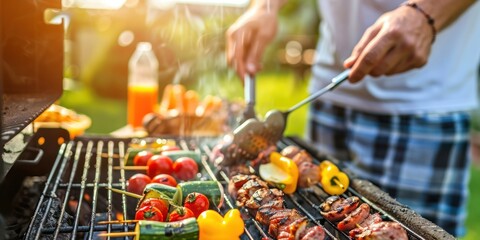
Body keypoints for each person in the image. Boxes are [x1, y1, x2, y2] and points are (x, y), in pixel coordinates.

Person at [226, 0, 480, 237]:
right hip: (329, 96)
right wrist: (265, 6)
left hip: (423, 106)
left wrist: (427, 13)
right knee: (318, 206)